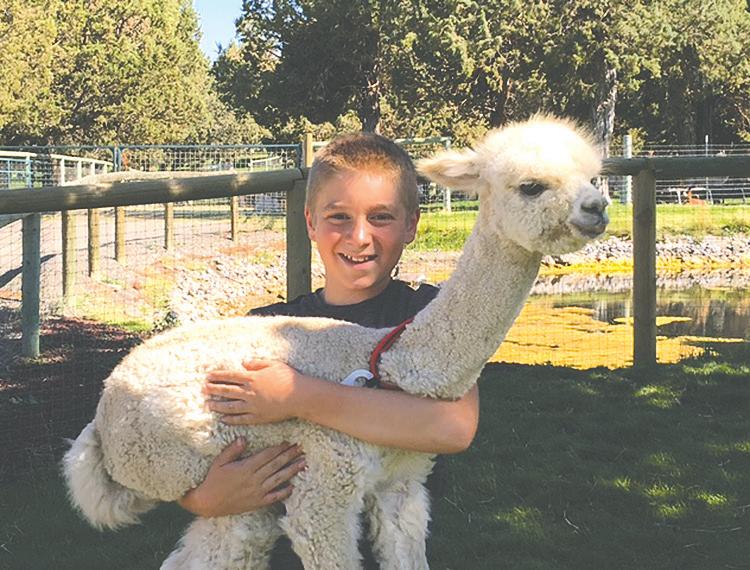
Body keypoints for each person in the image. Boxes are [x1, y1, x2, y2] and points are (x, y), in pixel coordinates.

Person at [178, 133, 480, 568]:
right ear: (310, 223)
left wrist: (297, 396)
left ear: (411, 224)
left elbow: (453, 427)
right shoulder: (264, 328)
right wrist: (202, 499)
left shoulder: (426, 319)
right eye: (339, 217)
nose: (359, 237)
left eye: (381, 217)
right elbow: (205, 439)